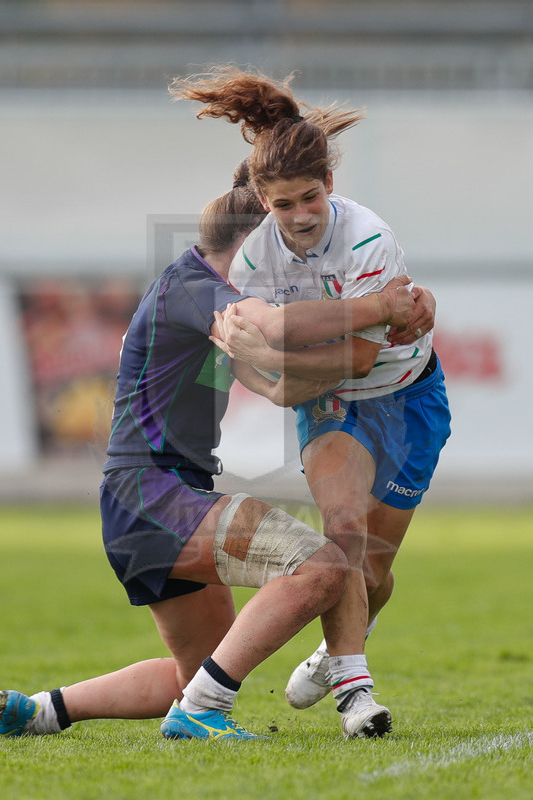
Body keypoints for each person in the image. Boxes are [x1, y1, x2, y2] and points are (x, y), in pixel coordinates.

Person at [0, 163, 417, 742]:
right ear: (254, 240)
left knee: (196, 672)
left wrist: (373, 352)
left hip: (141, 506)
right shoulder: (198, 288)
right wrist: (382, 309)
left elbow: (280, 385)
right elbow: (276, 326)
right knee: (324, 566)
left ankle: (38, 711)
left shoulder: (200, 301)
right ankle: (202, 713)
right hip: (155, 494)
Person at [171, 65, 451, 738]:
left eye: (309, 199)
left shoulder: (368, 237)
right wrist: (280, 348)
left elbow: (354, 352)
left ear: (329, 185)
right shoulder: (250, 257)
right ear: (262, 199)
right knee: (344, 536)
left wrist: (274, 347)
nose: (299, 216)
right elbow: (273, 348)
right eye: (282, 204)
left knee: (375, 570)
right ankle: (358, 697)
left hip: (408, 398)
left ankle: (334, 652)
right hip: (334, 405)